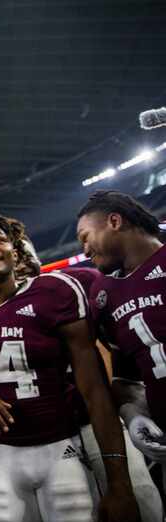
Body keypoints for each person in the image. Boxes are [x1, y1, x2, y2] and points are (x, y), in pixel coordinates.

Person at [0, 212, 139, 522]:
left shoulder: (55, 290)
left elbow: (95, 389)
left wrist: (119, 484)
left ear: (14, 252)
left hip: (61, 450)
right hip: (0, 458)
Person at [15, 233, 162, 522]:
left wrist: (114, 402)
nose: (19, 261)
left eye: (22, 252)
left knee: (140, 506)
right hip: (46, 434)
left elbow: (109, 345)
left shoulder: (74, 282)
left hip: (93, 418)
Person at [77, 190, 166, 488]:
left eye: (86, 236)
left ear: (114, 221)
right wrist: (133, 415)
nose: (85, 249)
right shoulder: (104, 294)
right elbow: (126, 378)